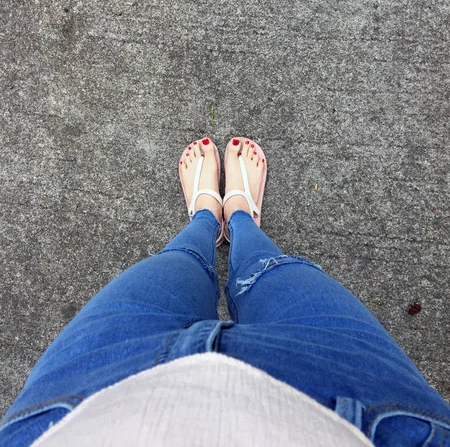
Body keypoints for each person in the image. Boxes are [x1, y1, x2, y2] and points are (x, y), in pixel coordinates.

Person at [1, 137, 450, 447]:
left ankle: (206, 219)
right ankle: (238, 218)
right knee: (268, 271)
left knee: (178, 266)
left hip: (82, 404)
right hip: (362, 411)